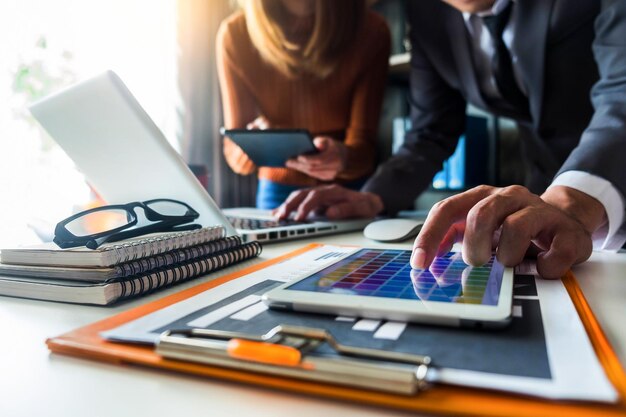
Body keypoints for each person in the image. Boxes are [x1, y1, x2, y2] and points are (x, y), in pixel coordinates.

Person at [275, 0, 626, 279]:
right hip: (543, 213)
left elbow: (621, 90)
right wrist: (373, 197)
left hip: (602, 182)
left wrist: (572, 201)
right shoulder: (427, 12)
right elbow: (431, 129)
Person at [216, 0, 390, 209]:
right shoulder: (236, 35)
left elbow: (365, 150)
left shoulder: (371, 31)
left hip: (349, 191)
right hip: (277, 191)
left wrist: (344, 158)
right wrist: (256, 144)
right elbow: (234, 152)